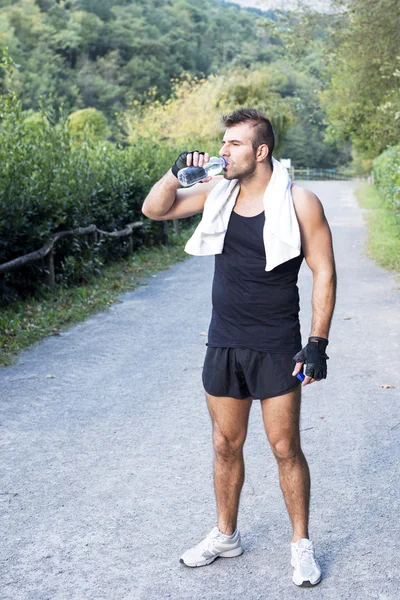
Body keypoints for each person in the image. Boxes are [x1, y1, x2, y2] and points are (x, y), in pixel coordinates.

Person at [141, 108, 336, 587]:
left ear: (261, 151)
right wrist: (173, 172)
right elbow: (155, 209)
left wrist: (316, 343)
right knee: (225, 444)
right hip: (224, 339)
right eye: (223, 142)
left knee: (285, 446)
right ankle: (226, 535)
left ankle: (300, 545)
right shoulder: (215, 192)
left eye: (234, 144)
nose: (222, 151)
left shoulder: (300, 202)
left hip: (276, 344)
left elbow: (325, 272)